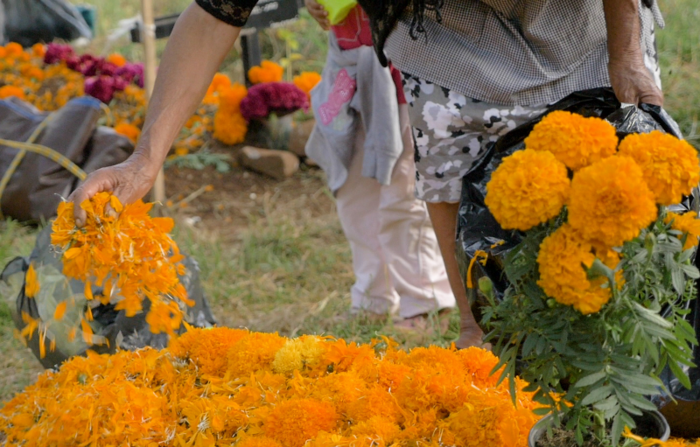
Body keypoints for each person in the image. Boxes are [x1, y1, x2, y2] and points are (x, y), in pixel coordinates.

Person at [71, 0, 665, 349]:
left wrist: (626, 54)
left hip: (577, 25)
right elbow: (215, 12)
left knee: (618, 227)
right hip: (444, 39)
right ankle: (479, 335)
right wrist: (144, 158)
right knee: (478, 225)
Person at [301, 1, 456, 327]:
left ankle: (426, 302)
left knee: (404, 195)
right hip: (349, 68)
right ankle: (373, 295)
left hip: (404, 77)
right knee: (355, 194)